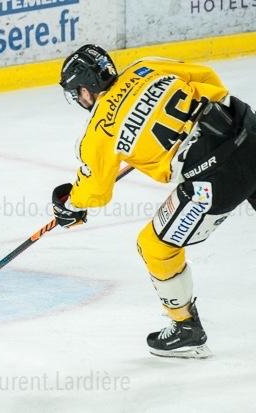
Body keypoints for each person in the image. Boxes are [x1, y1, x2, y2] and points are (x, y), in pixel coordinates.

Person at [52, 44, 256, 358]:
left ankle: (186, 327)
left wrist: (71, 206)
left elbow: (94, 192)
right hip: (248, 130)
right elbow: (210, 79)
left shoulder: (98, 132)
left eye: (76, 92)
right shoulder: (145, 66)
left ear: (85, 89)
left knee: (154, 246)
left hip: (218, 179)